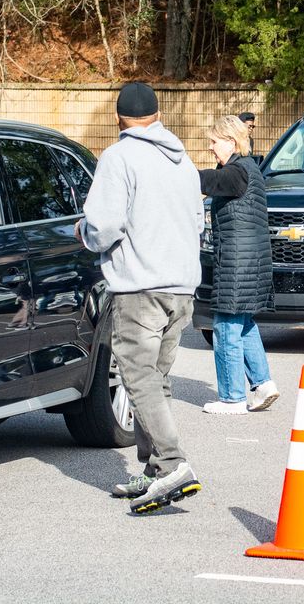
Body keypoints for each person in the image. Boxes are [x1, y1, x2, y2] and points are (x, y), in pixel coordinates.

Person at [75, 82, 205, 513]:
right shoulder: (184, 162)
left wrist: (83, 233)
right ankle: (152, 473)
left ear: (119, 118)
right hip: (182, 286)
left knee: (138, 378)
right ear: (157, 115)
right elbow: (198, 224)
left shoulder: (119, 157)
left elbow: (104, 226)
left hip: (140, 287)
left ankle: (171, 463)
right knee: (158, 379)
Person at [199, 114, 278, 415]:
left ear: (231, 141)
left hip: (237, 262)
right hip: (251, 261)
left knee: (225, 326)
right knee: (243, 323)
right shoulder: (250, 169)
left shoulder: (236, 172)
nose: (210, 147)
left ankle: (231, 398)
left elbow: (209, 181)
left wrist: (175, 174)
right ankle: (263, 384)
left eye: (214, 141)